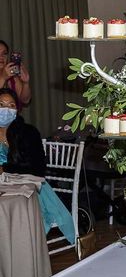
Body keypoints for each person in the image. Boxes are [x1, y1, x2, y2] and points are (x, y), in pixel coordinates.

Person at [0, 88, 75, 244]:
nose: (5, 109)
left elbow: (38, 168)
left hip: (30, 186)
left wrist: (5, 169)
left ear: (17, 109)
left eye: (11, 105)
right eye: (1, 104)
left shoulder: (28, 132)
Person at [0, 40, 31, 108]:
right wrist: (3, 78)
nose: (1, 57)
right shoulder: (6, 75)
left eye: (4, 53)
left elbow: (25, 100)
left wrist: (26, 83)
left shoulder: (12, 75)